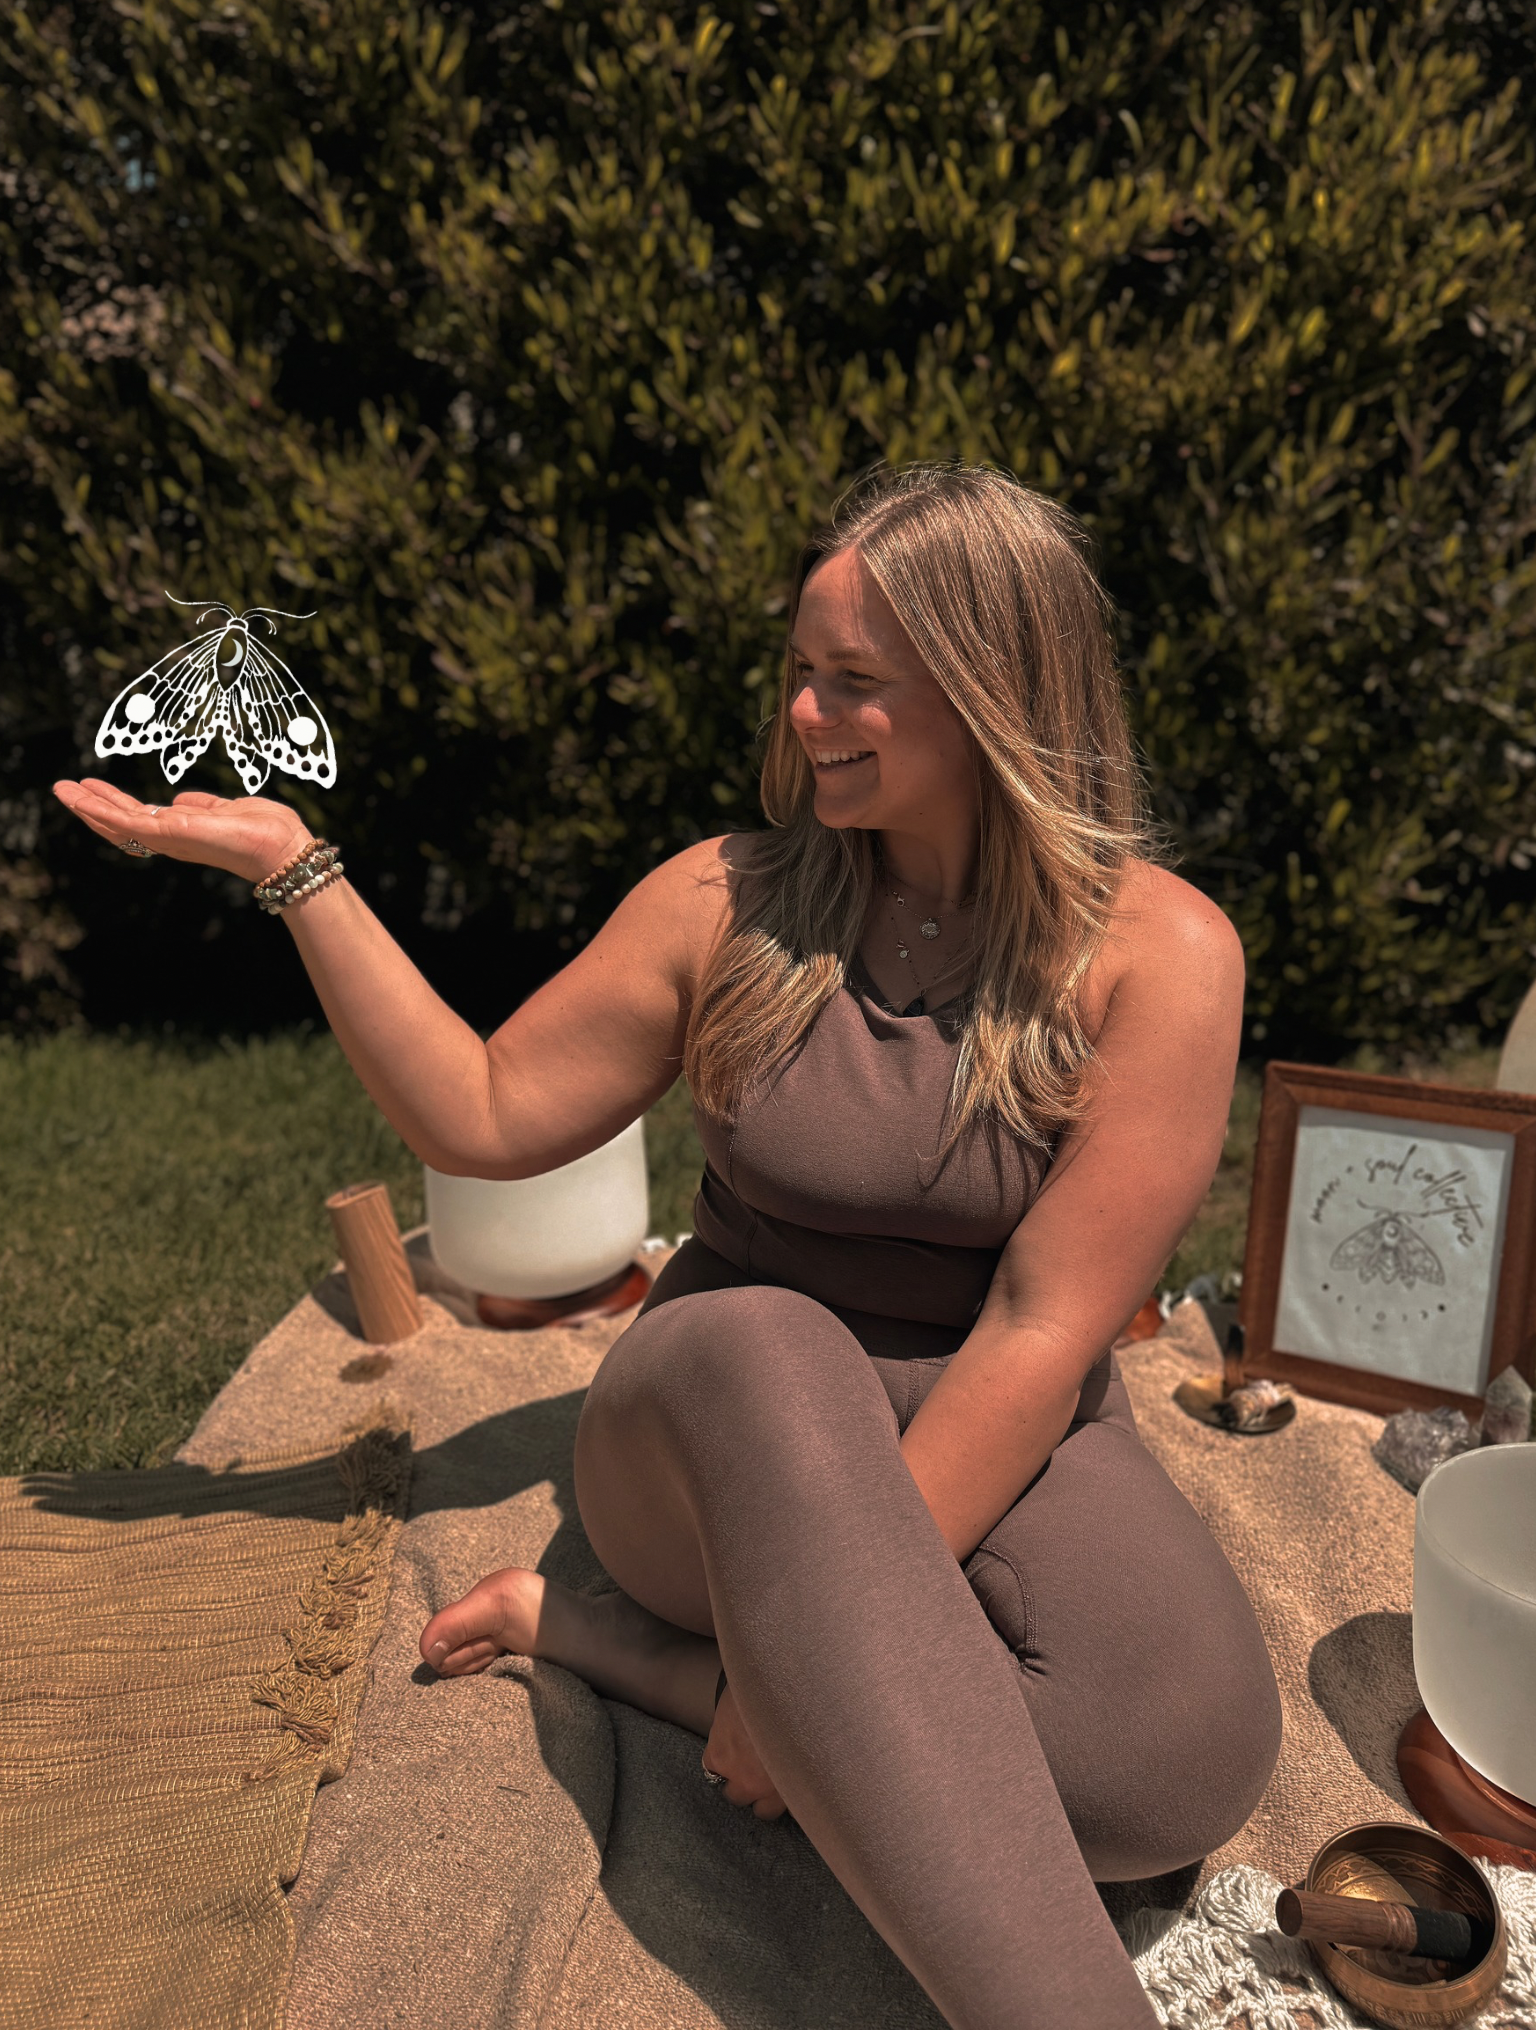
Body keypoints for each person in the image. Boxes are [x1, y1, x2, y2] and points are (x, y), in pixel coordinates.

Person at [56, 462, 1281, 2029]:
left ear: (991, 692)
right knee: (769, 1341)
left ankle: (620, 1654)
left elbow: (1044, 1332)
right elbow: (484, 1112)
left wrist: (804, 1684)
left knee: (1173, 1763)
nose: (807, 716)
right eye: (802, 672)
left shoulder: (1160, 955)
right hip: (711, 1422)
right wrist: (297, 869)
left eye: (857, 685)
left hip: (985, 1404)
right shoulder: (730, 899)